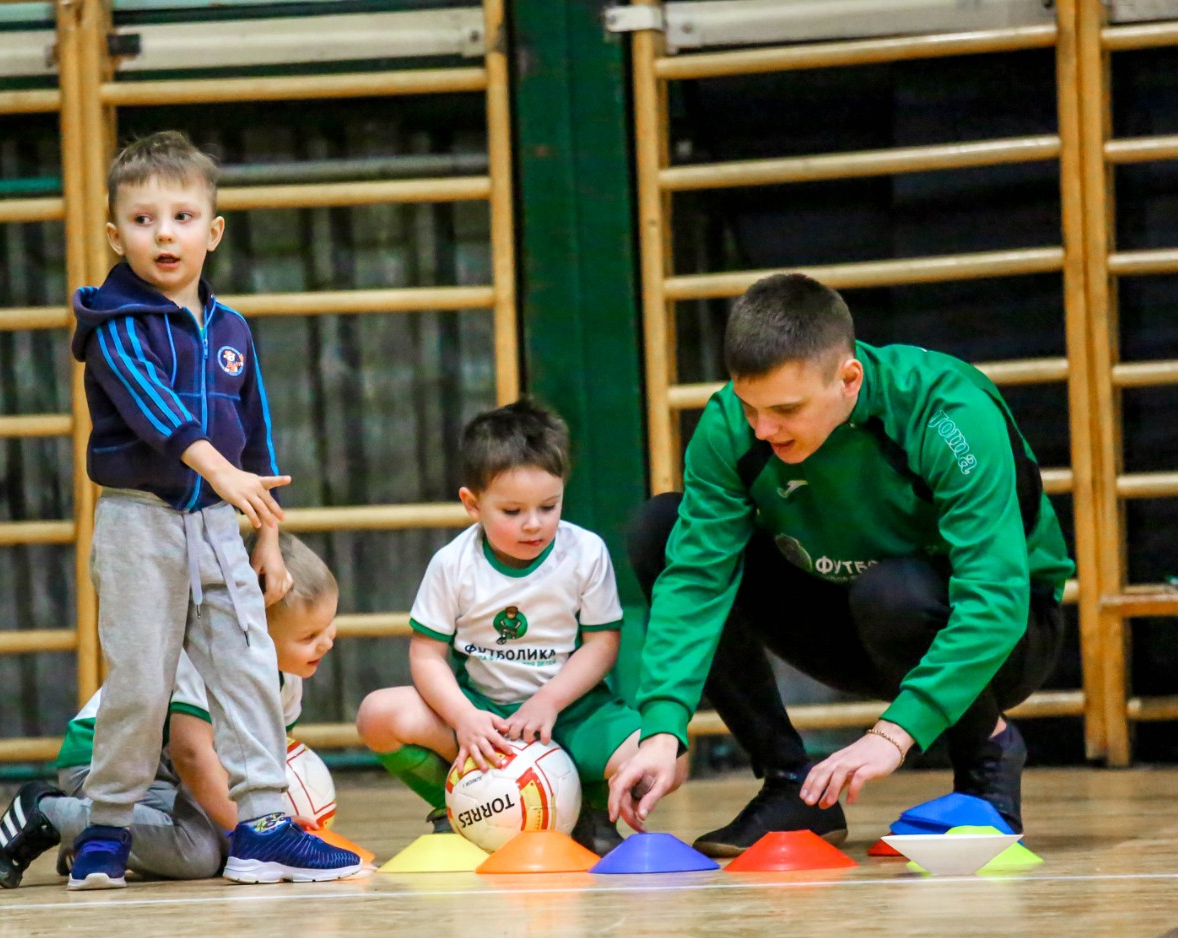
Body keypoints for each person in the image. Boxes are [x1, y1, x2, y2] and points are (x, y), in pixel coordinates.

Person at [609, 273, 1071, 855]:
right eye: (751, 406)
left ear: (848, 378)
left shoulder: (947, 413)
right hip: (852, 620)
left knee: (894, 591)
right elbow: (697, 581)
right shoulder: (732, 425)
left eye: (785, 409)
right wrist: (663, 727)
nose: (763, 428)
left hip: (1005, 636)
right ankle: (790, 785)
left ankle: (987, 759)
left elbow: (996, 600)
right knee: (660, 528)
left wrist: (894, 733)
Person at [65, 130, 359, 888]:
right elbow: (156, 413)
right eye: (143, 220)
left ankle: (265, 825)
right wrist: (221, 473)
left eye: (182, 217)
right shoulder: (114, 322)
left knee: (249, 664)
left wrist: (265, 536)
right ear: (114, 234)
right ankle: (106, 828)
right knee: (141, 681)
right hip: (140, 522)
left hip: (221, 525)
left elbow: (256, 434)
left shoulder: (231, 329)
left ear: (212, 231)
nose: (164, 233)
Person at [355, 399, 646, 854]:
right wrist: (464, 717)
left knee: (659, 754)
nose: (534, 524)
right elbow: (426, 655)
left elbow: (602, 644)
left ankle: (585, 810)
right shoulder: (453, 564)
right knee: (378, 714)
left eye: (549, 506)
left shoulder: (586, 552)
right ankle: (461, 807)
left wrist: (549, 701)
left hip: (568, 714)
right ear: (472, 505)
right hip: (482, 717)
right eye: (512, 512)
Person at [0, 532, 340, 886]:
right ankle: (50, 812)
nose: (325, 643)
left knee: (226, 849)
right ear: (253, 629)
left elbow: (267, 758)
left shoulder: (288, 678)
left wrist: (277, 818)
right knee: (200, 854)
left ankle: (89, 838)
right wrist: (260, 830)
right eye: (309, 637)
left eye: (329, 627)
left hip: (169, 773)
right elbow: (192, 755)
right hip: (102, 762)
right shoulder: (211, 656)